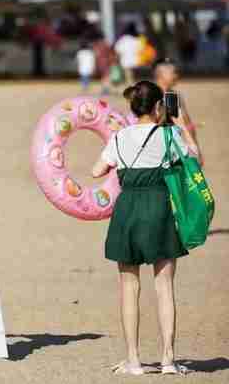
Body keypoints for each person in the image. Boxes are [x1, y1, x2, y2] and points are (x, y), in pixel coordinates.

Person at [91, 81, 199, 376]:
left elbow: (96, 171)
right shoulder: (169, 134)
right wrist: (179, 124)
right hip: (159, 208)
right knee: (164, 287)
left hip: (128, 211)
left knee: (129, 287)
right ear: (158, 107)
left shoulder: (119, 137)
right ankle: (167, 360)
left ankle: (134, 360)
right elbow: (194, 158)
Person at [153, 58, 203, 164]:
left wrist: (196, 150)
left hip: (172, 151)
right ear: (160, 74)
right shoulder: (150, 96)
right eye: (173, 73)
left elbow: (187, 125)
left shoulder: (175, 96)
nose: (176, 76)